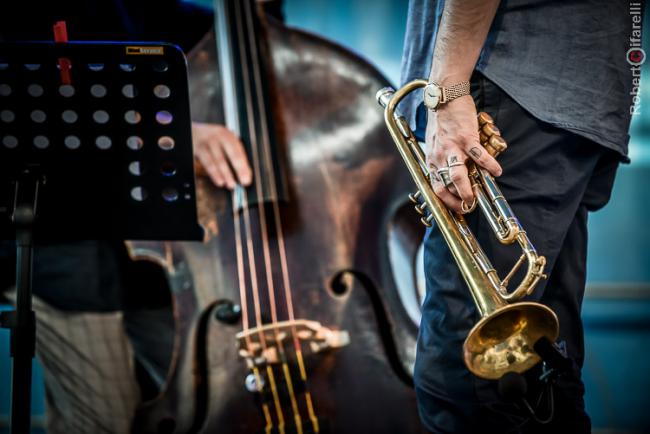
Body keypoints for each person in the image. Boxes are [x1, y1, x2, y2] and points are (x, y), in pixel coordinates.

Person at [0, 1, 253, 433]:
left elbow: (200, 25)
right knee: (107, 418)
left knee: (223, 394)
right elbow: (50, 98)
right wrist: (172, 132)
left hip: (146, 255)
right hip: (60, 249)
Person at [399, 0, 643, 432]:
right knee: (537, 380)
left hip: (504, 81)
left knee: (464, 380)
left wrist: (448, 88)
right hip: (571, 93)